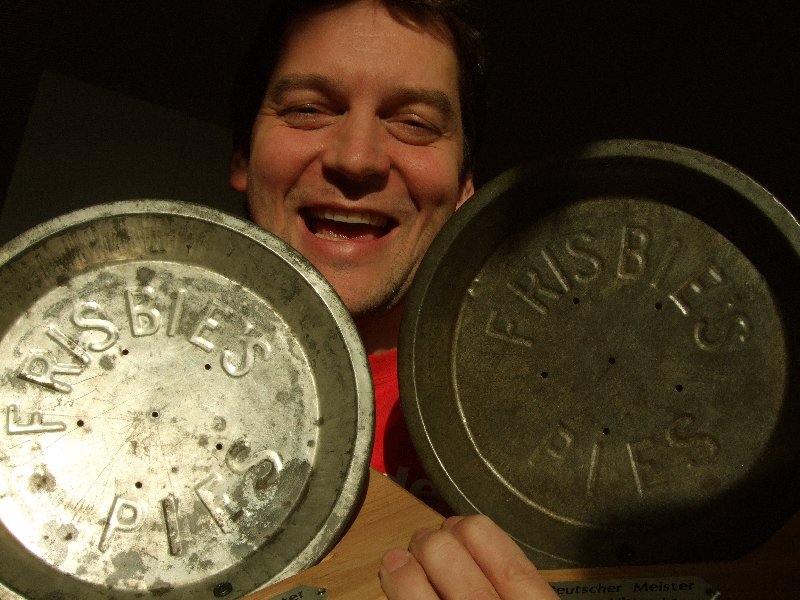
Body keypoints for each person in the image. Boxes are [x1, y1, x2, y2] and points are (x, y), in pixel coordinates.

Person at [229, 1, 558, 598]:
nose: (356, 159)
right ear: (244, 160)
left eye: (414, 123)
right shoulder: (86, 404)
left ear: (464, 189)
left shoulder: (550, 432)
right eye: (307, 110)